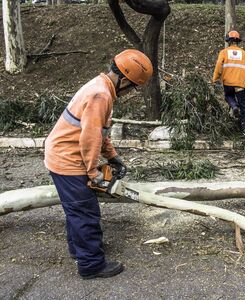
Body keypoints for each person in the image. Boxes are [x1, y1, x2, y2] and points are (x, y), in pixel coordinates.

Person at [44, 49, 153, 279]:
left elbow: (100, 132)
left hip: (62, 154)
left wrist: (113, 157)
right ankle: (91, 265)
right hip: (68, 159)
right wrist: (93, 172)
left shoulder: (101, 87)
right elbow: (90, 138)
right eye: (132, 86)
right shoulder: (100, 95)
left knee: (76, 209)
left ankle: (79, 250)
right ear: (123, 78)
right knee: (85, 212)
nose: (131, 91)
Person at [212, 30, 245, 132]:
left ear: (228, 41)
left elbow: (218, 65)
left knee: (228, 96)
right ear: (238, 41)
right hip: (240, 85)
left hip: (228, 84)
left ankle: (234, 106)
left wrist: (215, 79)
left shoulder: (224, 52)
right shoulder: (244, 54)